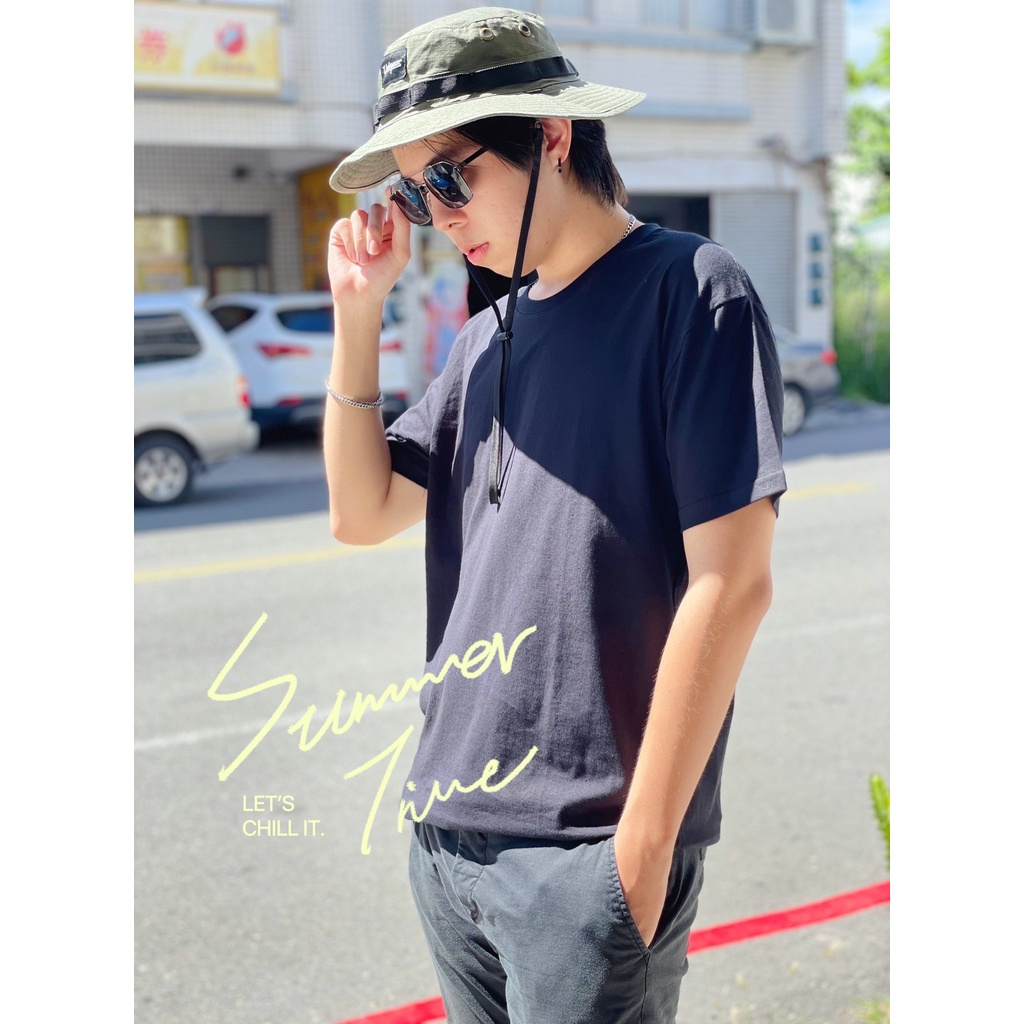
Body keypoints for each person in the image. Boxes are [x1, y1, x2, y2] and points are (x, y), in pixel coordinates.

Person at [323, 7, 787, 1022]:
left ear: (551, 135)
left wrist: (641, 852)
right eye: (414, 192)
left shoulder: (691, 292)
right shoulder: (487, 335)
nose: (438, 215)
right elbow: (360, 511)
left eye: (451, 177)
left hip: (587, 849)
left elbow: (733, 582)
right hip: (448, 833)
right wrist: (357, 317)